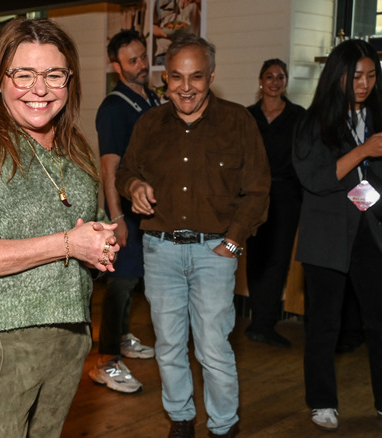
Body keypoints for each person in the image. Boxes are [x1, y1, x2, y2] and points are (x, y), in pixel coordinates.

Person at [0, 18, 120, 438]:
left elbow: (79, 230)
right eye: (24, 74)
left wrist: (97, 245)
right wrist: (69, 243)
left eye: (54, 75)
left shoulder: (74, 147)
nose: (40, 89)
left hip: (69, 334)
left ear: (69, 80)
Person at [117, 33, 270, 438]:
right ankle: (181, 420)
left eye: (197, 77)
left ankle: (223, 427)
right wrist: (133, 187)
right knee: (168, 345)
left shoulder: (238, 122)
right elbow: (125, 171)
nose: (186, 87)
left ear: (211, 76)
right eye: (177, 78)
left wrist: (232, 243)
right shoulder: (148, 123)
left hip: (214, 253)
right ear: (165, 78)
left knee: (213, 349)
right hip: (161, 251)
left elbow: (258, 189)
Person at [292, 39, 382, 432]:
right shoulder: (314, 121)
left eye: (371, 75)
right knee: (324, 325)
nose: (364, 83)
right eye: (356, 76)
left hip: (373, 231)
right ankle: (321, 401)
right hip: (327, 234)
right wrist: (364, 150)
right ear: (337, 75)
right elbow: (315, 178)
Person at [89, 29, 161, 394]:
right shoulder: (114, 108)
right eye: (133, 61)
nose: (143, 65)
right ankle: (106, 361)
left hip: (149, 208)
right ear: (116, 66)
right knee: (120, 284)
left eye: (143, 57)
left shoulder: (150, 97)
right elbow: (109, 167)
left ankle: (122, 338)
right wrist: (116, 219)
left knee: (133, 281)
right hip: (125, 211)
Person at [244, 59, 306, 348]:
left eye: (280, 77)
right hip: (254, 196)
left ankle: (265, 323)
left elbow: (305, 158)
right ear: (260, 80)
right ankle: (257, 322)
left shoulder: (298, 116)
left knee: (279, 260)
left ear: (286, 81)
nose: (274, 82)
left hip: (287, 197)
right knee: (256, 258)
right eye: (269, 76)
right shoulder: (247, 116)